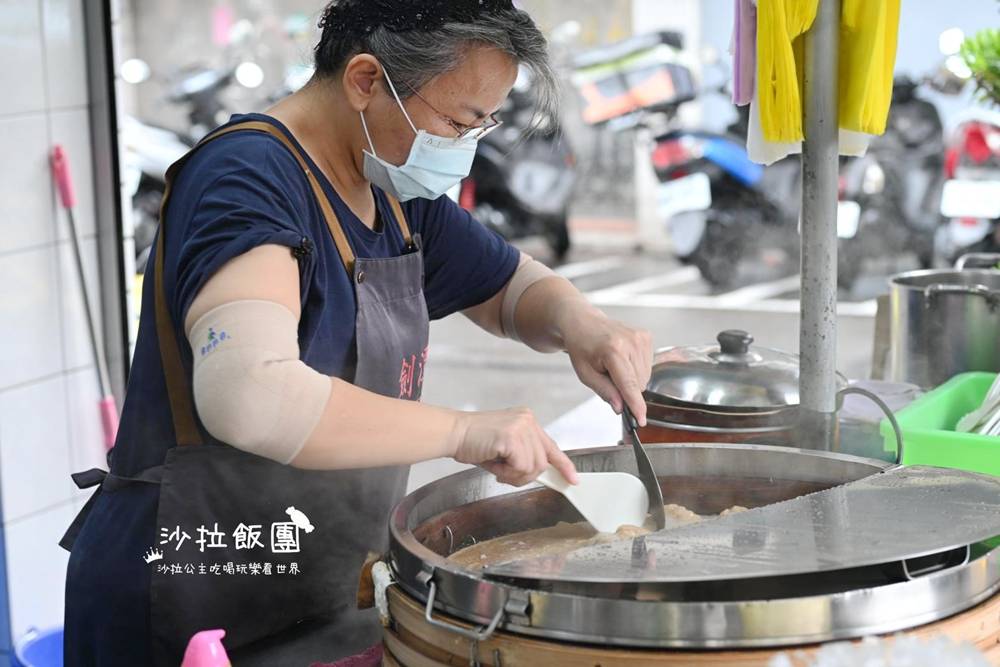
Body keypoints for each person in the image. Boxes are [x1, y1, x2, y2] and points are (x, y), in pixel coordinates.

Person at [62, 1, 652, 664]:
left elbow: (512, 287)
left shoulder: (389, 186)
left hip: (321, 589)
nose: (468, 144)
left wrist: (586, 327)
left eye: (484, 124)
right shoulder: (247, 179)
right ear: (367, 81)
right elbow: (252, 395)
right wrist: (462, 432)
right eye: (459, 122)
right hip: (194, 600)